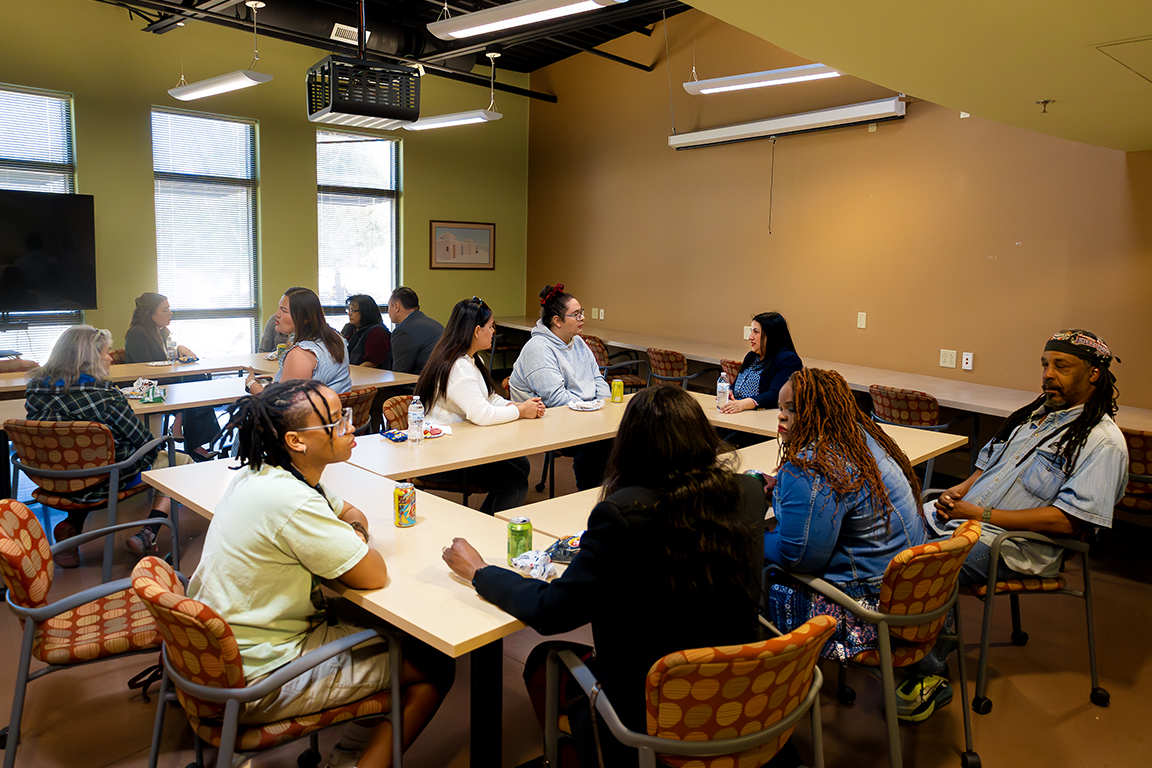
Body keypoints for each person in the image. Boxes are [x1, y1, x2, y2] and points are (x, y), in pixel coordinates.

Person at [442, 385, 775, 768]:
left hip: (657, 704)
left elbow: (552, 611)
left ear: (630, 444)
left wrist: (481, 572)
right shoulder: (747, 492)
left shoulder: (622, 514)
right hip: (744, 690)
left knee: (543, 661)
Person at [187, 381, 452, 768]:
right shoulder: (289, 499)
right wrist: (355, 544)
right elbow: (374, 573)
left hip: (226, 653)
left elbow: (351, 513)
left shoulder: (272, 474)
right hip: (258, 675)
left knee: (389, 631)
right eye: (335, 420)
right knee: (435, 666)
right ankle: (351, 761)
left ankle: (349, 757)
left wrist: (352, 536)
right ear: (296, 441)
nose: (351, 426)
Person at [763, 368, 933, 715]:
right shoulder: (865, 438)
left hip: (863, 610)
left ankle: (761, 693)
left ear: (819, 412)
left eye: (793, 409)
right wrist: (785, 489)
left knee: (741, 566)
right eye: (781, 408)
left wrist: (749, 538)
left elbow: (799, 560)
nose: (782, 417)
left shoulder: (814, 465)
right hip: (908, 595)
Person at [931, 329, 1128, 583]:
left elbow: (1066, 521)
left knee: (909, 570)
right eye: (1045, 365)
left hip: (1009, 546)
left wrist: (978, 514)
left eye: (1061, 367)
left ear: (1093, 374)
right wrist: (959, 490)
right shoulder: (1030, 417)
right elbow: (988, 468)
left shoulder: (1103, 442)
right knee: (877, 539)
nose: (1048, 375)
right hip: (960, 522)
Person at [24, 325, 194, 566]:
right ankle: (147, 534)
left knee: (80, 458)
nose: (110, 357)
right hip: (104, 481)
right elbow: (143, 441)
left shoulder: (35, 390)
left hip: (53, 477)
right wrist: (164, 442)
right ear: (89, 359)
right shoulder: (106, 396)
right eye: (105, 352)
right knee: (179, 461)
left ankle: (70, 531)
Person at [414, 297, 544, 514]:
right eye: (491, 327)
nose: (494, 331)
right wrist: (519, 412)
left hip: (462, 444)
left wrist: (514, 404)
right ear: (476, 331)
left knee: (521, 465)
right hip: (440, 454)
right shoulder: (458, 367)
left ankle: (485, 517)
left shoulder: (472, 360)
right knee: (516, 484)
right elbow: (482, 415)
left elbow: (490, 398)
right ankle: (487, 529)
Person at [509, 283, 612, 490]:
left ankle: (609, 495)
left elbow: (598, 379)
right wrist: (592, 411)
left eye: (581, 312)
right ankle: (590, 496)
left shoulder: (579, 342)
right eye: (575, 314)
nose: (582, 317)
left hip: (582, 415)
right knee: (599, 443)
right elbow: (556, 399)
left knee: (620, 434)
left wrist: (601, 404)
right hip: (547, 419)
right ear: (557, 321)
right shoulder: (538, 349)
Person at [124, 292, 221, 459]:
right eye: (165, 310)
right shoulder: (137, 333)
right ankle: (190, 437)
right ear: (150, 314)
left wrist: (179, 350)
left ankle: (181, 424)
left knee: (199, 379)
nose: (170, 313)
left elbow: (165, 358)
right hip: (147, 385)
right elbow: (147, 369)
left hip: (164, 379)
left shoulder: (161, 331)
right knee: (194, 383)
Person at [246, 287, 352, 396]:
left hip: (313, 412)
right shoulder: (337, 340)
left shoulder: (300, 355)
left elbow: (283, 405)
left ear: (305, 318)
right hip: (339, 410)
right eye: (279, 308)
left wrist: (252, 386)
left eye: (284, 310)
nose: (276, 315)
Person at [720, 311, 803, 414]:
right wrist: (730, 392)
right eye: (751, 331)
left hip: (759, 416)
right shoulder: (751, 356)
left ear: (771, 335)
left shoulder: (788, 360)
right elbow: (738, 384)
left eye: (756, 332)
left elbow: (776, 395)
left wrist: (744, 404)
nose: (750, 337)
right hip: (737, 412)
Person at [387, 287, 444, 375]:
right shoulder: (433, 323)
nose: (388, 311)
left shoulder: (403, 331)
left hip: (420, 385)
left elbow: (399, 375)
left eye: (389, 306)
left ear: (396, 307)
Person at [344, 294, 392, 369]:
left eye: (353, 310)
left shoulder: (377, 332)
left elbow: (373, 363)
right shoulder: (349, 328)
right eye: (348, 310)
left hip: (366, 375)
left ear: (365, 312)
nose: (349, 314)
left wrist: (349, 373)